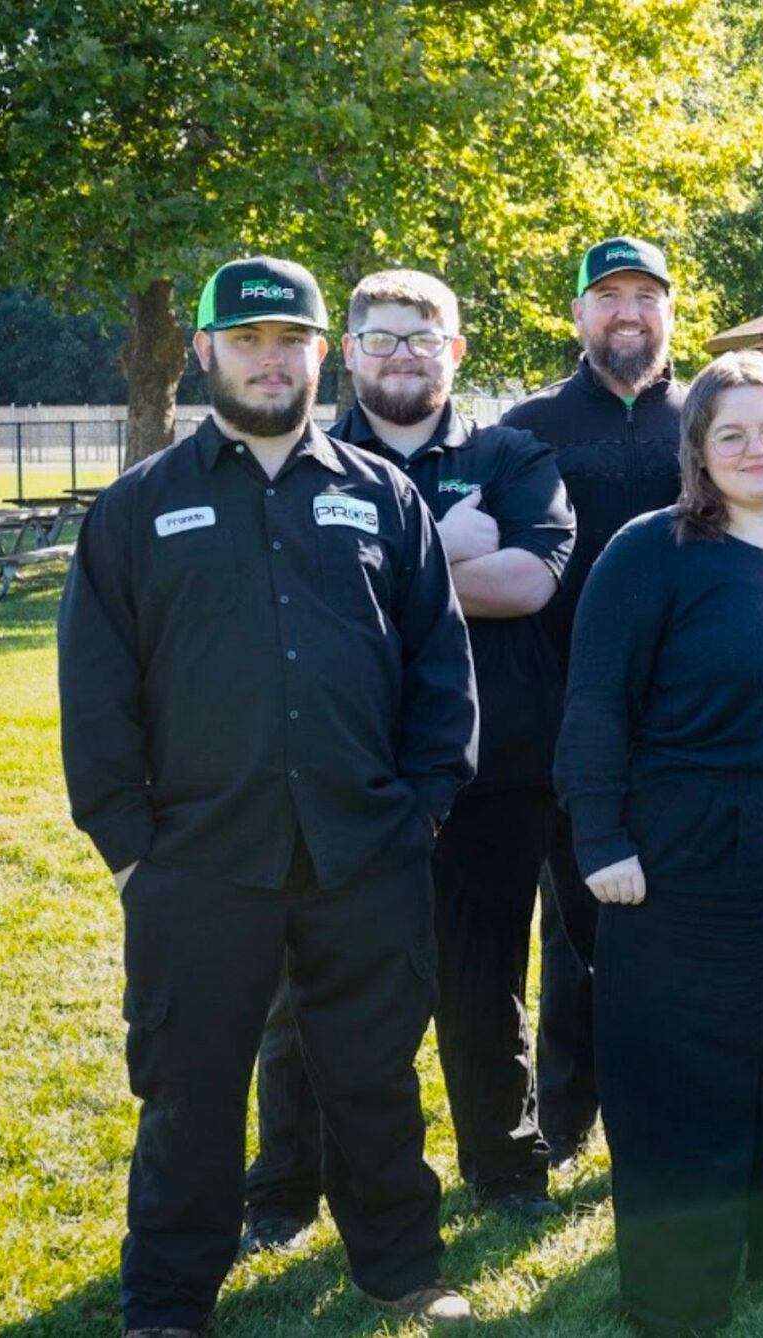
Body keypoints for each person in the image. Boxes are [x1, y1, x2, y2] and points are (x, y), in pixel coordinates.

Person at [59, 256, 479, 1332]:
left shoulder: (379, 495)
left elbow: (439, 666)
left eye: (289, 339)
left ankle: (399, 1267)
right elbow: (96, 691)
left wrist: (422, 805)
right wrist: (132, 844)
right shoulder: (139, 508)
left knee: (374, 1076)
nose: (269, 358)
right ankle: (167, 1295)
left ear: (319, 353)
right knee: (190, 1092)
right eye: (245, 340)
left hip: (364, 852)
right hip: (198, 862)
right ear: (204, 350)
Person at [554, 352, 763, 1330]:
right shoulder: (649, 551)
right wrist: (600, 839)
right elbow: (593, 708)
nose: (757, 447)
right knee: (686, 1071)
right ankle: (679, 1293)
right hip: (689, 843)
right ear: (698, 452)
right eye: (731, 433)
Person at [242, 270, 577, 1243]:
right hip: (335, 773)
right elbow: (287, 596)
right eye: (381, 339)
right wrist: (440, 542)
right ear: (347, 351)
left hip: (492, 771)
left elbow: (526, 582)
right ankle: (285, 1188)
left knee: (484, 983)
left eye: (421, 339)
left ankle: (505, 1166)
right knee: (309, 987)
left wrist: (378, 563)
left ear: (455, 352)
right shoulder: (297, 458)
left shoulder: (514, 455)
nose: (401, 355)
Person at [499, 236, 688, 1165]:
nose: (627, 312)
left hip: (690, 721)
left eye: (645, 295)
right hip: (563, 717)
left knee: (676, 921)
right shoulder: (527, 428)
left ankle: (665, 1101)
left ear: (668, 312)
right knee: (574, 925)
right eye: (607, 295)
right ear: (577, 314)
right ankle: (567, 1118)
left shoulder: (706, 419)